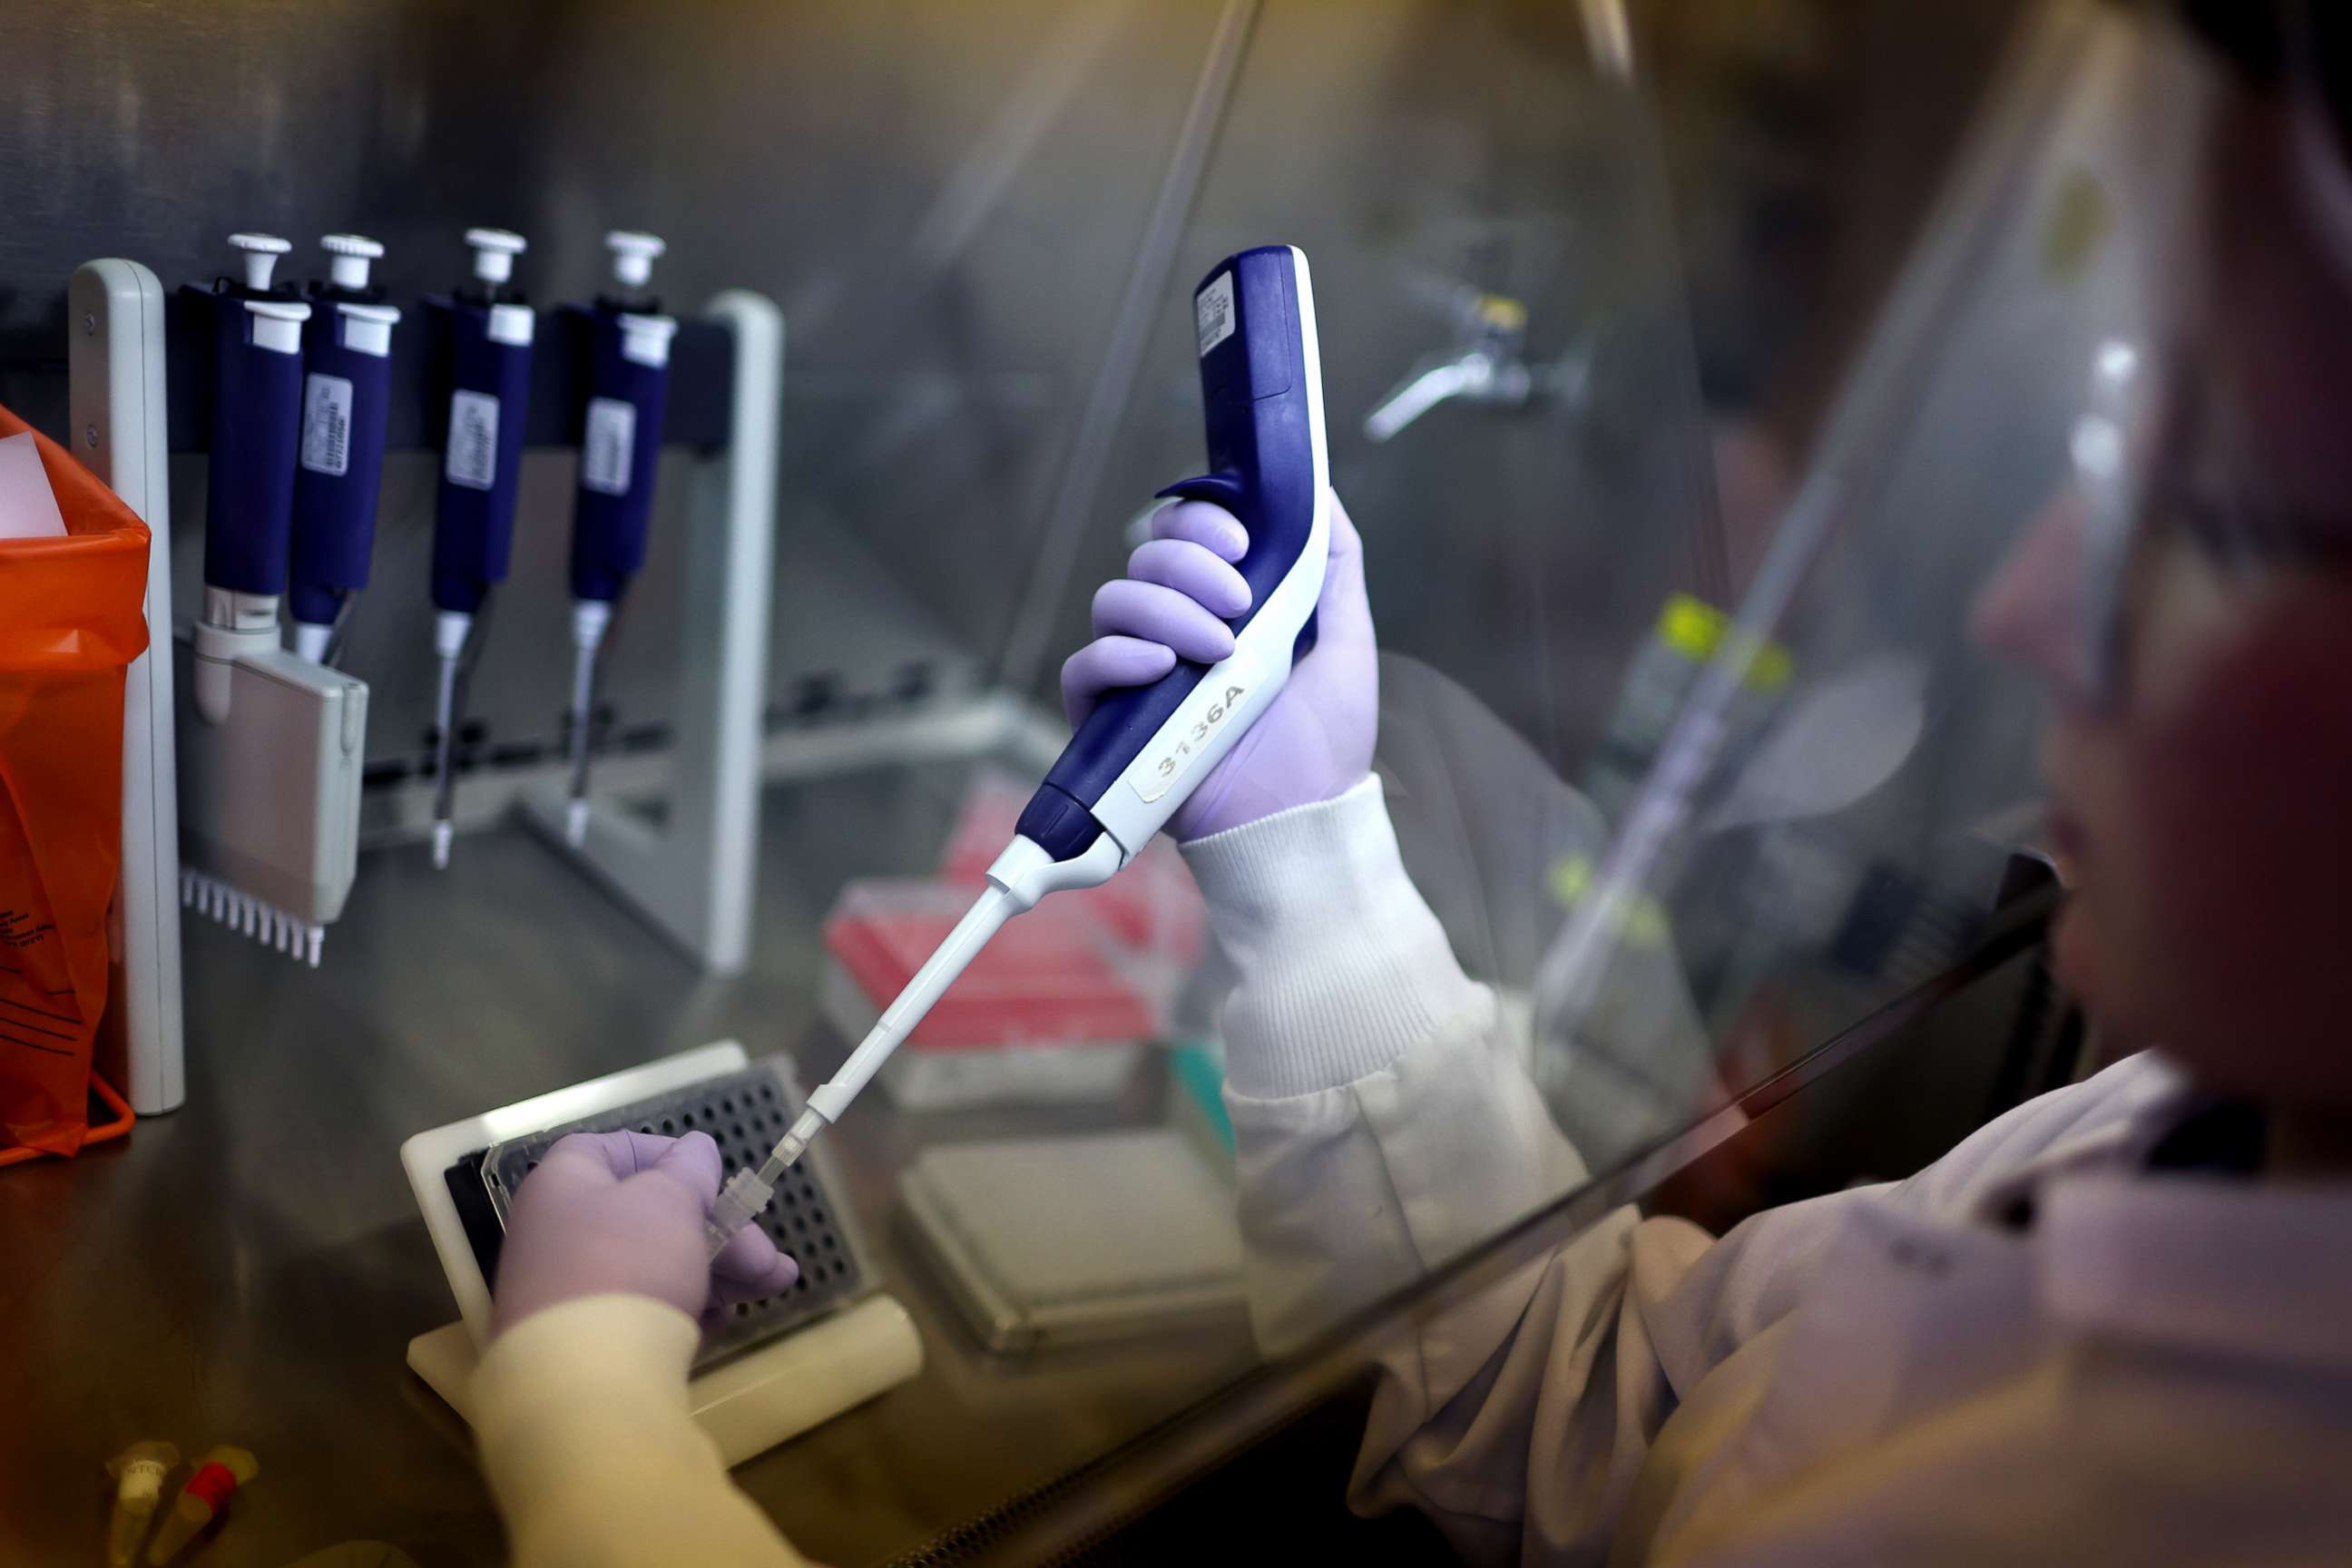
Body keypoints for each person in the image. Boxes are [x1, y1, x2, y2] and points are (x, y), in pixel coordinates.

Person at [474, 4, 2352, 1562]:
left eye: (2208, 515)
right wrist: (1305, 859)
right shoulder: (2149, 1144)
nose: (2028, 612)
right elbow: (1601, 1404)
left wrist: (578, 1408)